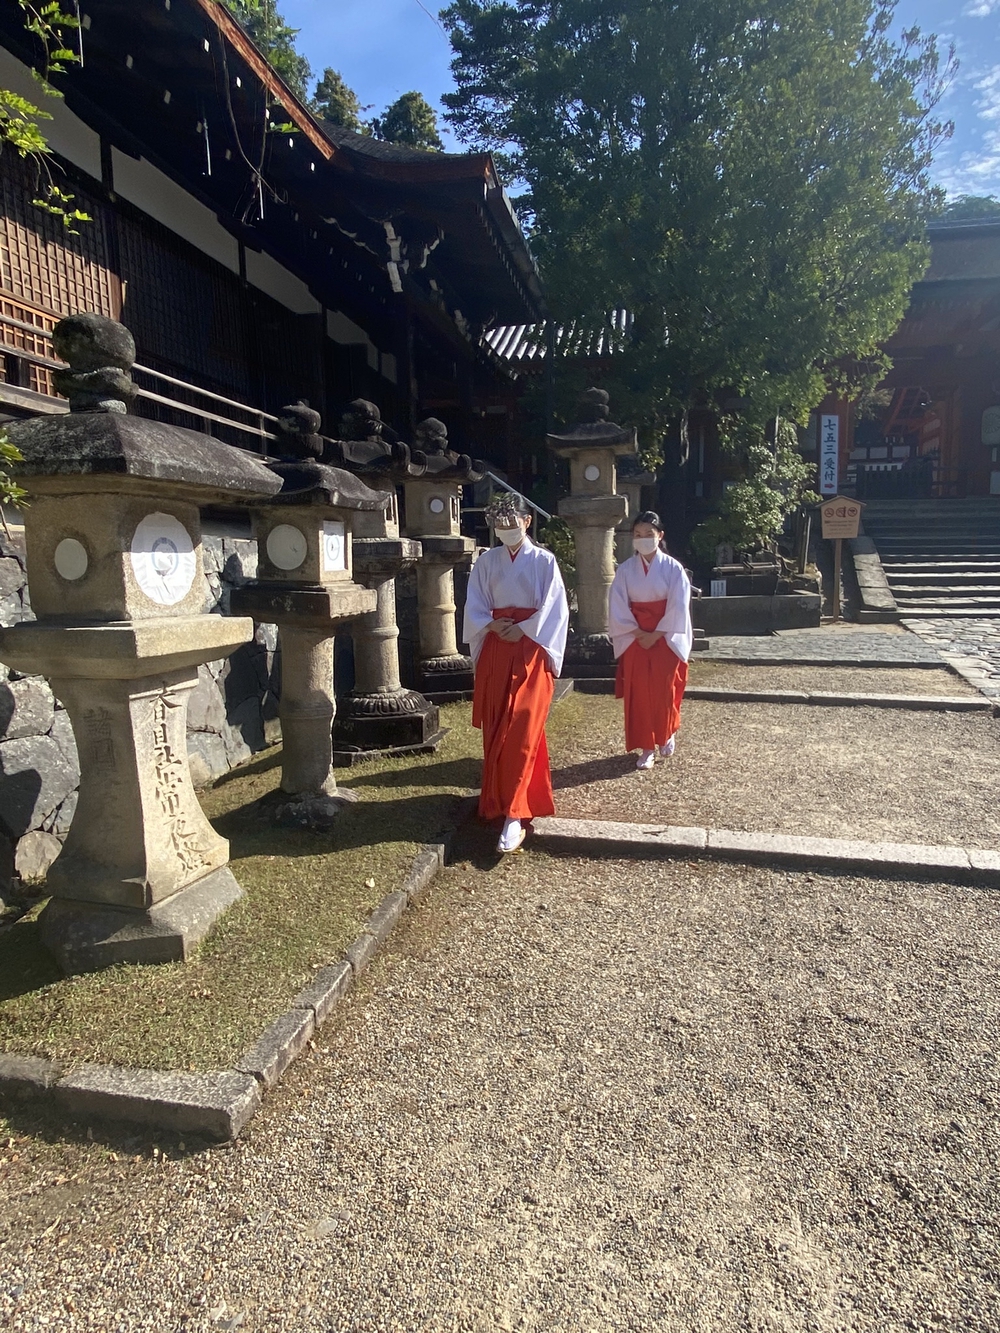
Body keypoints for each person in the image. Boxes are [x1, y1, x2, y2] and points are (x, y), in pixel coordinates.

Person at [463, 492, 570, 852]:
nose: (507, 529)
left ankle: (514, 813)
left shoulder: (544, 561)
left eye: (513, 523)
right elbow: (475, 603)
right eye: (500, 524)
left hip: (531, 648)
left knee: (524, 725)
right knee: (497, 726)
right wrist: (492, 625)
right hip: (496, 645)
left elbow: (555, 609)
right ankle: (498, 801)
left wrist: (523, 629)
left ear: (527, 521)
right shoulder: (487, 562)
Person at [608, 510, 693, 770]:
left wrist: (656, 632)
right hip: (635, 637)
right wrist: (637, 632)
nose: (642, 538)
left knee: (664, 689)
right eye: (637, 534)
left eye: (648, 534)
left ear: (660, 536)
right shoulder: (625, 570)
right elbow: (618, 605)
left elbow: (679, 604)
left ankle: (666, 732)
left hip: (665, 636)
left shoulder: (673, 568)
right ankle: (646, 746)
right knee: (639, 692)